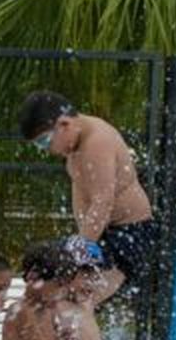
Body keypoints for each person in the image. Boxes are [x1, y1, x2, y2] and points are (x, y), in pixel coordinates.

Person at [19, 91, 157, 306]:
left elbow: (103, 202)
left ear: (64, 124)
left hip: (128, 235)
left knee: (80, 300)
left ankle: (88, 339)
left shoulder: (96, 143)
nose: (47, 150)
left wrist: (77, 254)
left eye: (45, 142)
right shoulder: (76, 142)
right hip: (101, 233)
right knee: (45, 277)